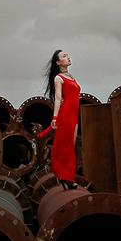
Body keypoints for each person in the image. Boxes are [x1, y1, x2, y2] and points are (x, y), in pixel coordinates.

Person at [37, 49, 80, 189]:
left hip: (74, 115)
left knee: (71, 147)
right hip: (66, 115)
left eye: (67, 55)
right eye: (64, 56)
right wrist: (55, 117)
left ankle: (67, 178)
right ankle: (66, 178)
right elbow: (57, 98)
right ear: (58, 62)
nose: (68, 57)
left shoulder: (72, 77)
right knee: (64, 147)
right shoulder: (58, 78)